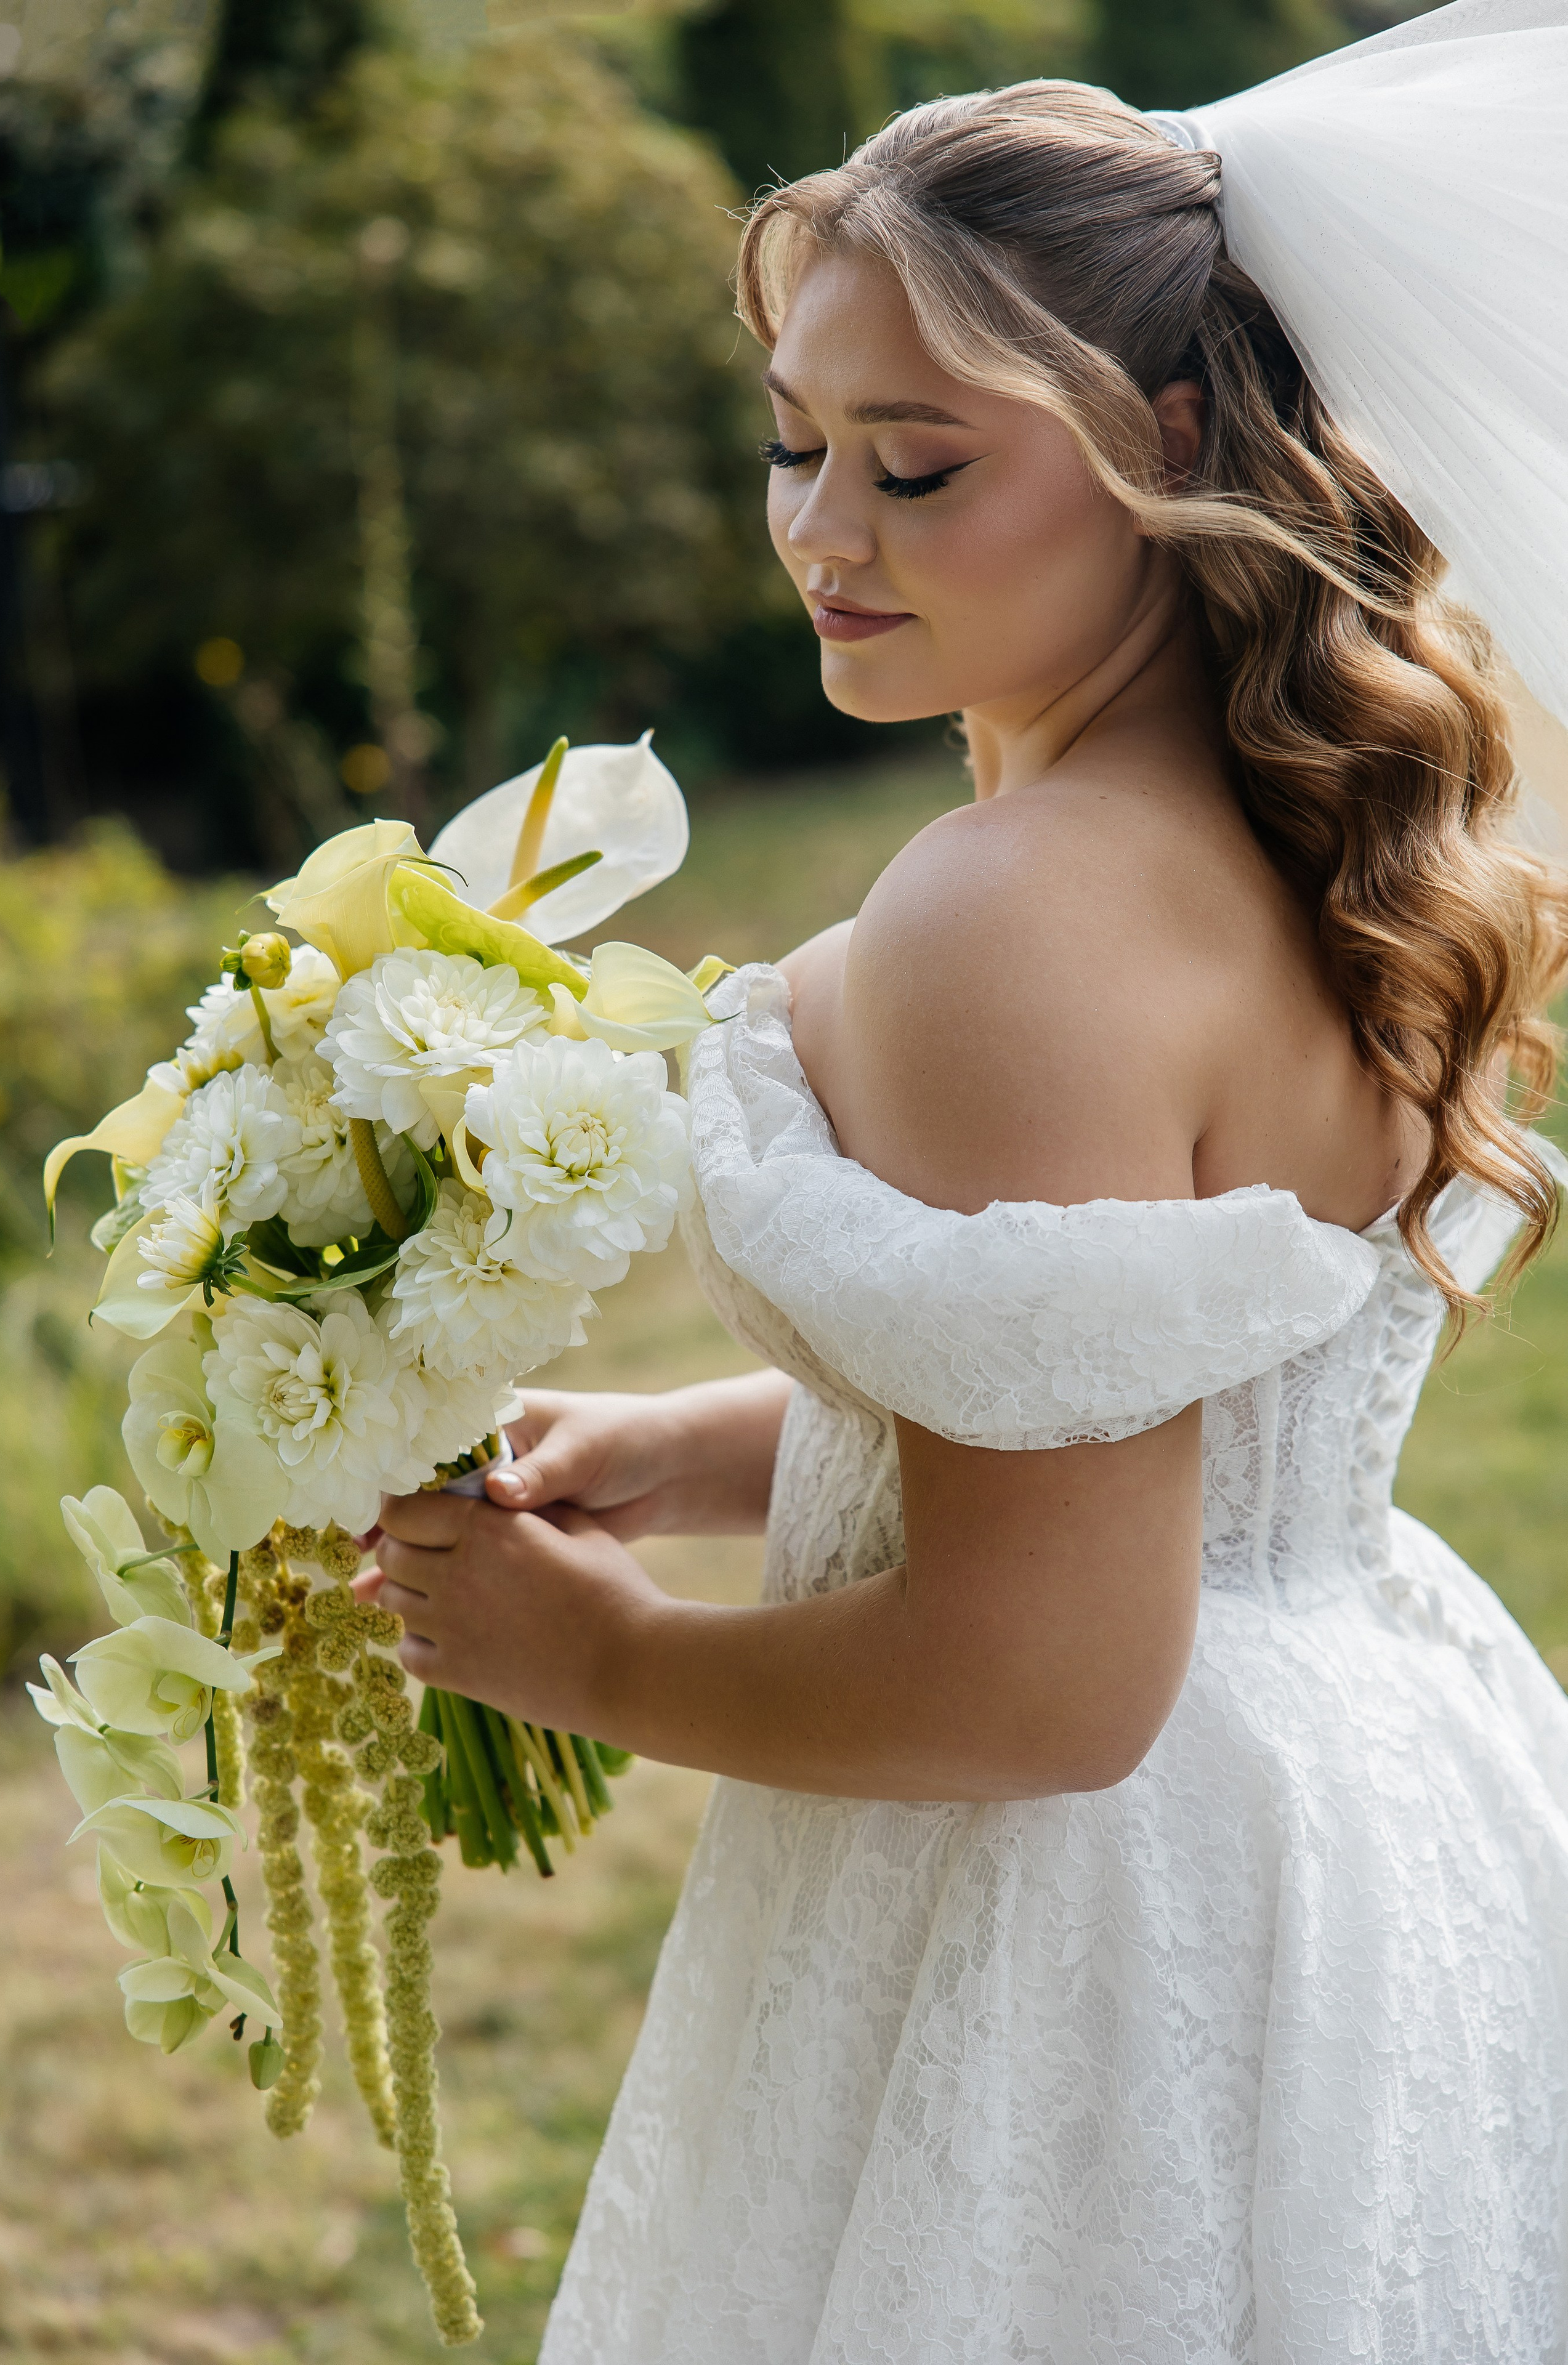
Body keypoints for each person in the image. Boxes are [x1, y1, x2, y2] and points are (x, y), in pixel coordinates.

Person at [356, 39, 1568, 2364]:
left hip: (1089, 1914)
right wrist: (681, 1453)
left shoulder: (1011, 916)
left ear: (1169, 446)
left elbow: (1049, 1679)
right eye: (794, 444)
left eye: (918, 466)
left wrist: (600, 1662)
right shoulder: (1313, 828)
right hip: (1362, 1800)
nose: (825, 534)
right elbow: (1152, 1402)